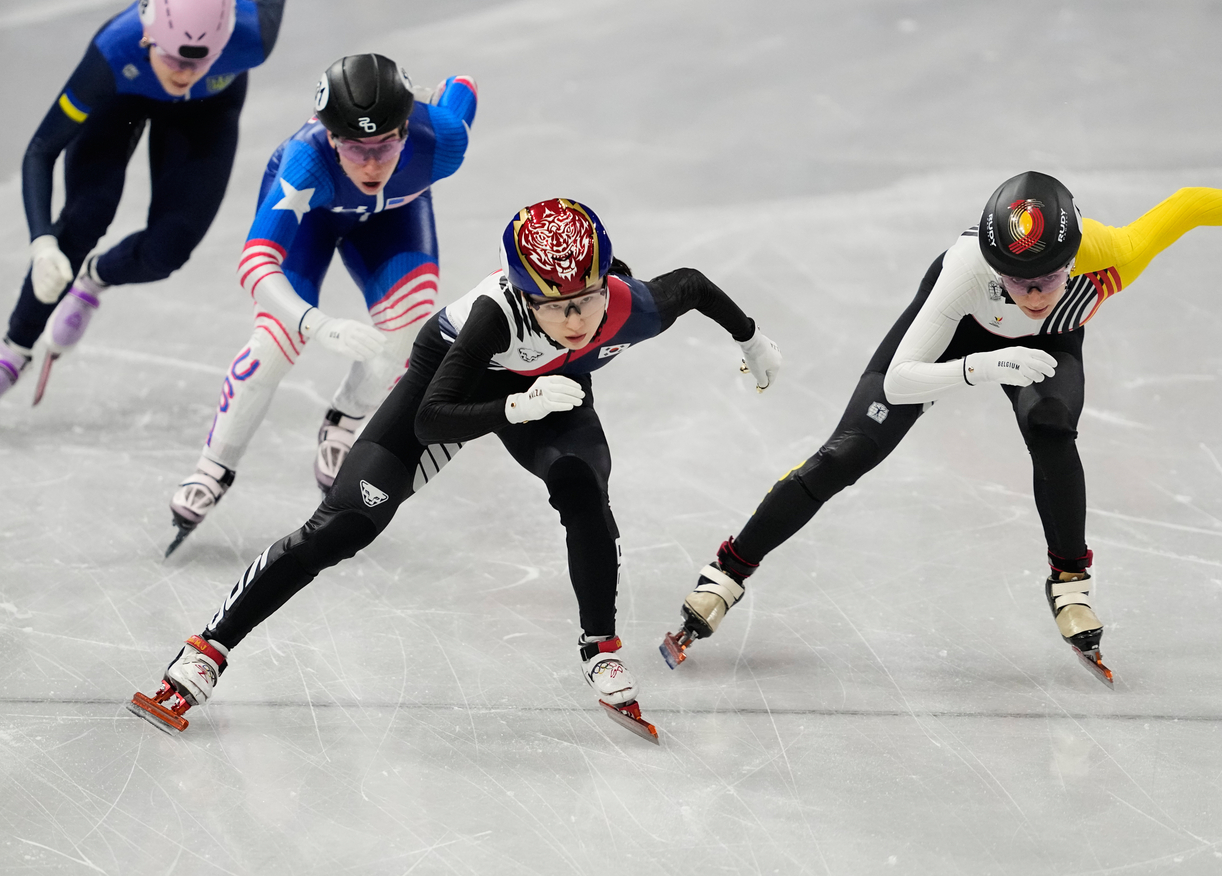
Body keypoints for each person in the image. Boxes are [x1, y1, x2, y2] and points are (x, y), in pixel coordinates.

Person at [129, 197, 783, 741]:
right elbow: (430, 422)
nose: (575, 320)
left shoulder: (628, 305)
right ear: (525, 296)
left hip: (546, 399)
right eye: (554, 307)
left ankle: (600, 649)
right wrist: (516, 401)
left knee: (582, 490)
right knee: (343, 525)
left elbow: (693, 284)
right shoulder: (490, 319)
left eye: (584, 299)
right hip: (448, 395)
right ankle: (208, 648)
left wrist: (750, 336)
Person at [663, 173, 1222, 686]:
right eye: (1018, 280)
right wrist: (977, 366)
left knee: (1051, 427)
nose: (1033, 293)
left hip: (1051, 346)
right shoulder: (968, 267)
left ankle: (1070, 584)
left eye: (1050, 278)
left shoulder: (1110, 251)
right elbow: (898, 382)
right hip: (962, 336)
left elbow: (1188, 205)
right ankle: (726, 570)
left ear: (1074, 254)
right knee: (848, 451)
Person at [0, 0, 287, 434]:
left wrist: (223, 0)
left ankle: (94, 280)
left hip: (208, 112)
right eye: (174, 58)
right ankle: (13, 350)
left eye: (199, 61)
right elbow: (41, 150)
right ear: (148, 32)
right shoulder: (114, 50)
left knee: (166, 251)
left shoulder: (251, 35)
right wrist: (41, 242)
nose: (184, 74)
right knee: (83, 220)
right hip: (123, 95)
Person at [163, 53, 478, 556]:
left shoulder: (442, 138)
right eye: (355, 147)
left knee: (405, 335)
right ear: (331, 137)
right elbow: (255, 266)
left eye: (386, 144)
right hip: (311, 218)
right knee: (275, 342)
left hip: (393, 221)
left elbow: (462, 85)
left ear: (405, 128)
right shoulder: (305, 159)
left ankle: (345, 422)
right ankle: (214, 466)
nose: (372, 163)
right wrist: (316, 323)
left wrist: (439, 94)